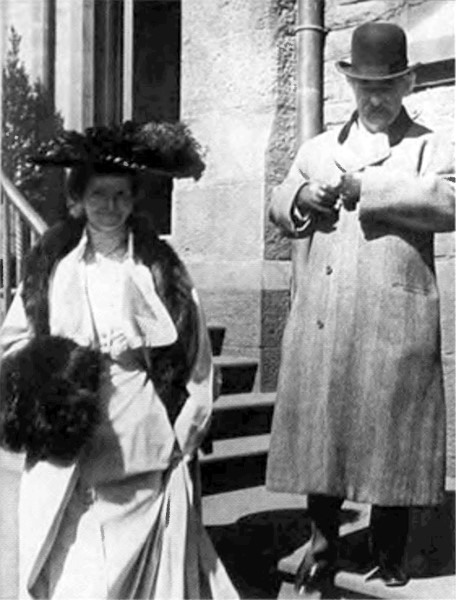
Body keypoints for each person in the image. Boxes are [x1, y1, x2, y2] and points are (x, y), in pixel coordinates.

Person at [0, 121, 239, 599]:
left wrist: (187, 425)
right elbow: (13, 343)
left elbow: (196, 356)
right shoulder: (52, 266)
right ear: (78, 198)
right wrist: (53, 368)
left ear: (134, 200)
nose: (109, 206)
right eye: (98, 194)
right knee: (75, 560)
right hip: (68, 420)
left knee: (138, 564)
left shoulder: (159, 266)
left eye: (121, 195)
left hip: (138, 419)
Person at [266, 21, 455, 593]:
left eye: (388, 87)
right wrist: (303, 195)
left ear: (408, 84)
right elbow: (280, 198)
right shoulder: (320, 147)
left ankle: (389, 549)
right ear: (350, 85)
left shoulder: (427, 145)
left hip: (394, 314)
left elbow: (450, 201)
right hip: (327, 312)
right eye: (366, 87)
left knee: (394, 429)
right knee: (323, 428)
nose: (376, 99)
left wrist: (368, 190)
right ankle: (323, 541)